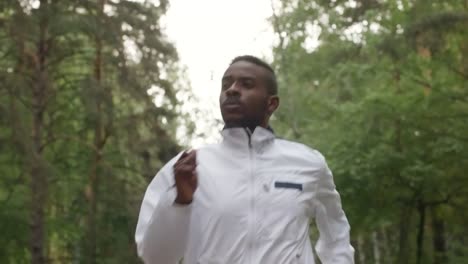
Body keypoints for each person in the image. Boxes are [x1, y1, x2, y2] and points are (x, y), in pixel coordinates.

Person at [135, 55, 355, 264]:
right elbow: (156, 258)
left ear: (271, 104)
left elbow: (337, 237)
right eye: (226, 85)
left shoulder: (309, 164)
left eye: (246, 84)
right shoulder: (186, 167)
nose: (232, 90)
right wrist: (179, 202)